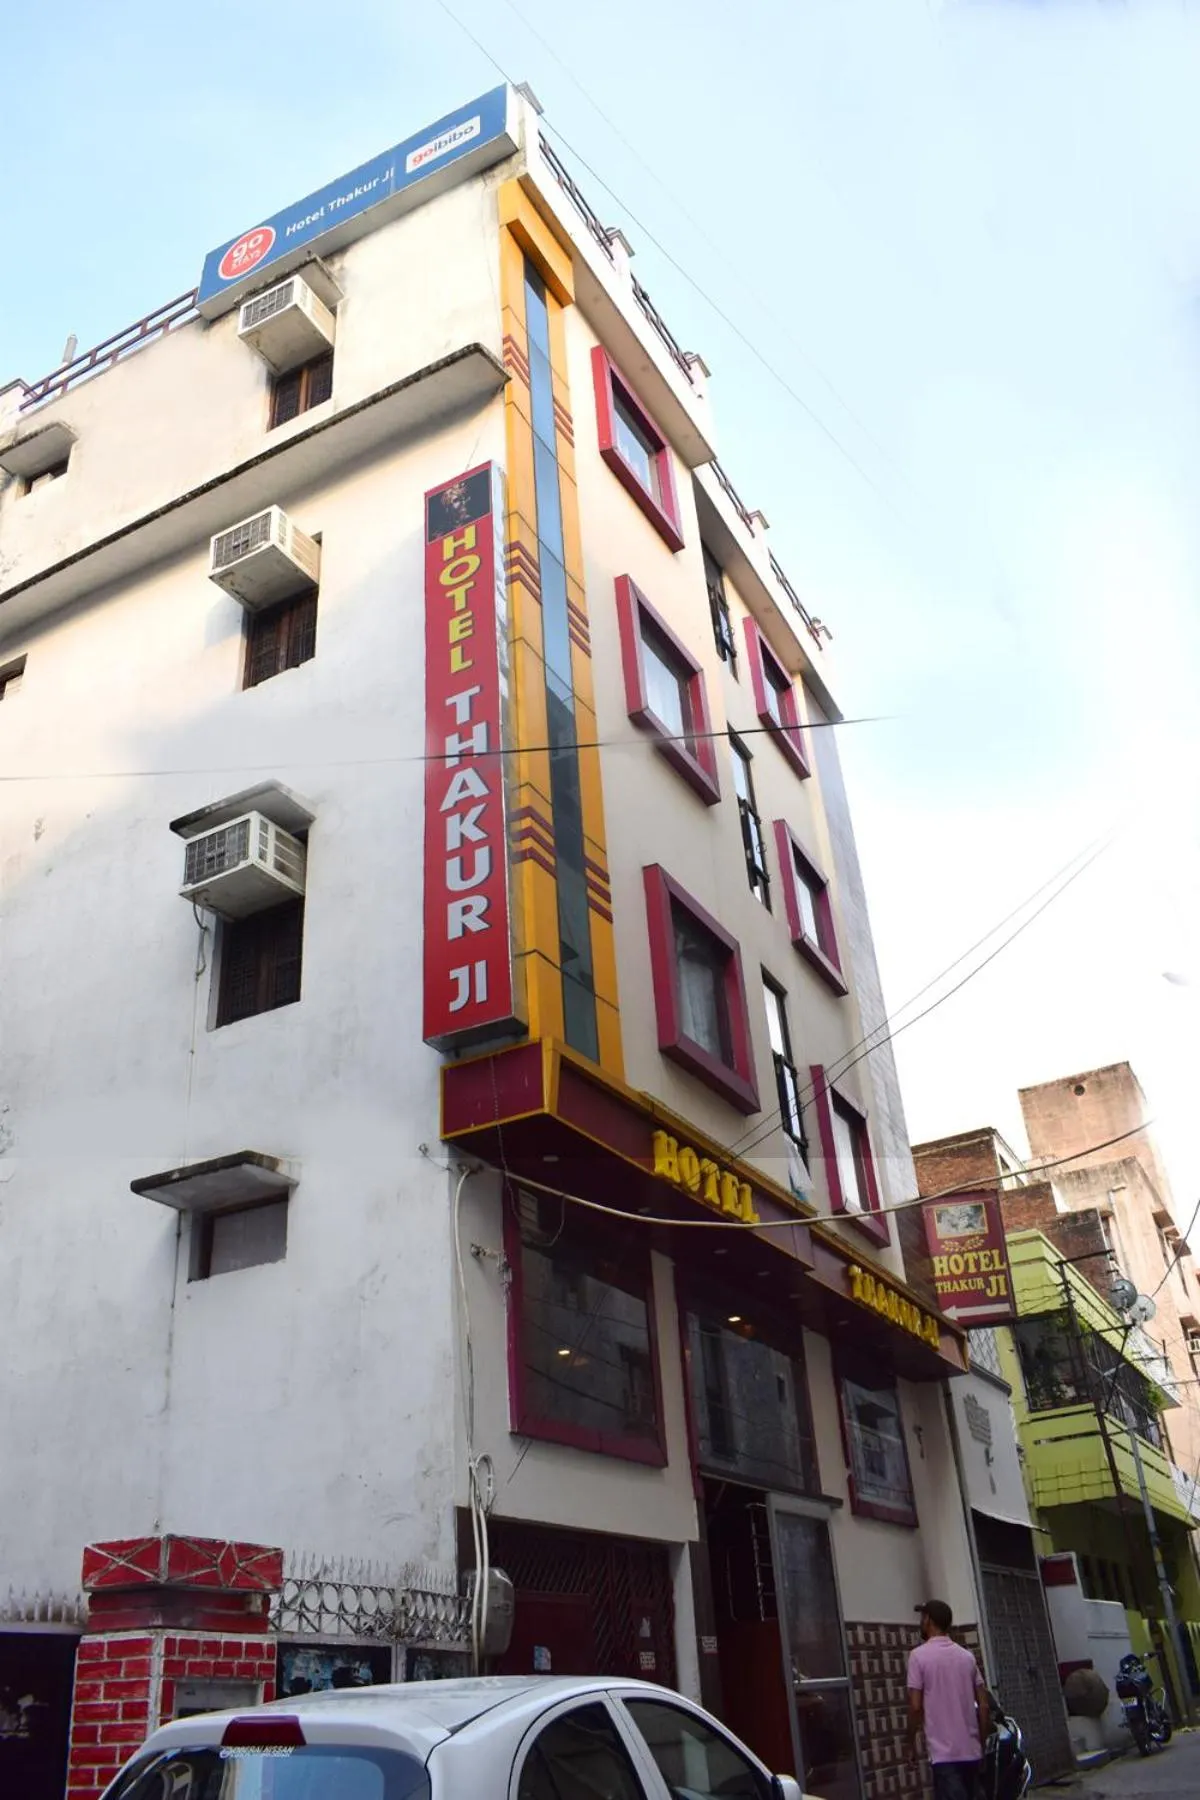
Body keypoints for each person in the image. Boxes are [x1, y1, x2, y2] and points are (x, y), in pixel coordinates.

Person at [906, 1599, 991, 1800]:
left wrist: (910, 1744)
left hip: (944, 1756)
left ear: (928, 1620)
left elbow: (916, 1707)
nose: (921, 1621)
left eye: (922, 1617)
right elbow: (984, 1706)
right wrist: (982, 1743)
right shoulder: (967, 1657)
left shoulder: (918, 1657)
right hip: (971, 1752)